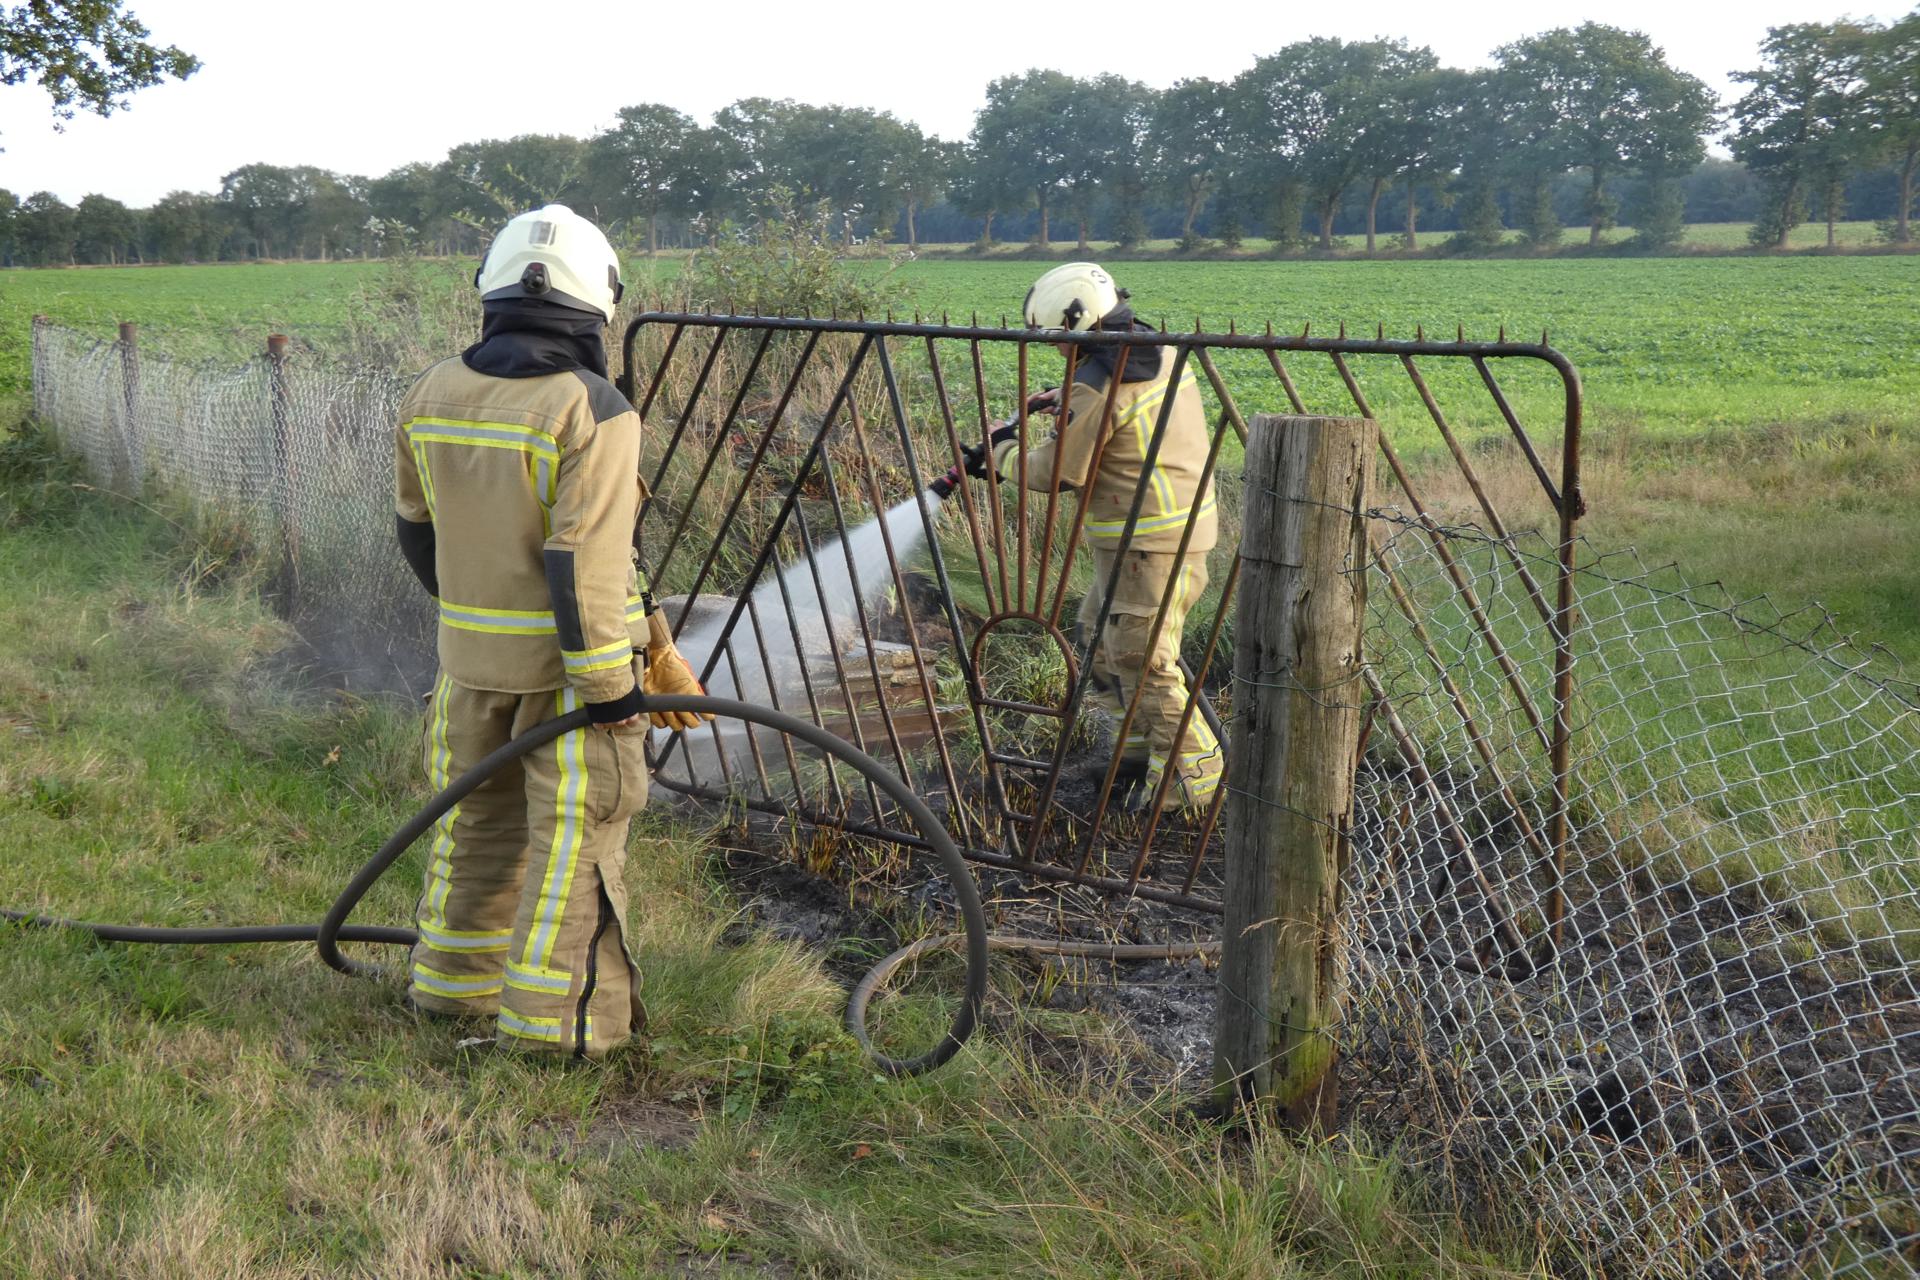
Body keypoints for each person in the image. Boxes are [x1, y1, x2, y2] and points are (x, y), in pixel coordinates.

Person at [392, 203, 710, 1057]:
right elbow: (584, 565)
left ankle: (451, 989)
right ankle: (561, 1030)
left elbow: (418, 534)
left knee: (474, 828)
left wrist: (660, 642)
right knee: (578, 844)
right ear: (598, 304)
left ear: (492, 293)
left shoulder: (432, 392)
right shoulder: (592, 409)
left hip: (466, 670)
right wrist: (616, 693)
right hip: (568, 681)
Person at [979, 262, 1223, 814]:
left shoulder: (1099, 386)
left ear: (1077, 329)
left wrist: (1001, 456)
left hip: (1148, 539)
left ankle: (1194, 773)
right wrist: (1064, 395)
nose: (1058, 353)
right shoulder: (1150, 351)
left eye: (1059, 343)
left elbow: (1060, 472)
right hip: (1170, 527)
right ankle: (1134, 751)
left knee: (1141, 656)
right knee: (1098, 633)